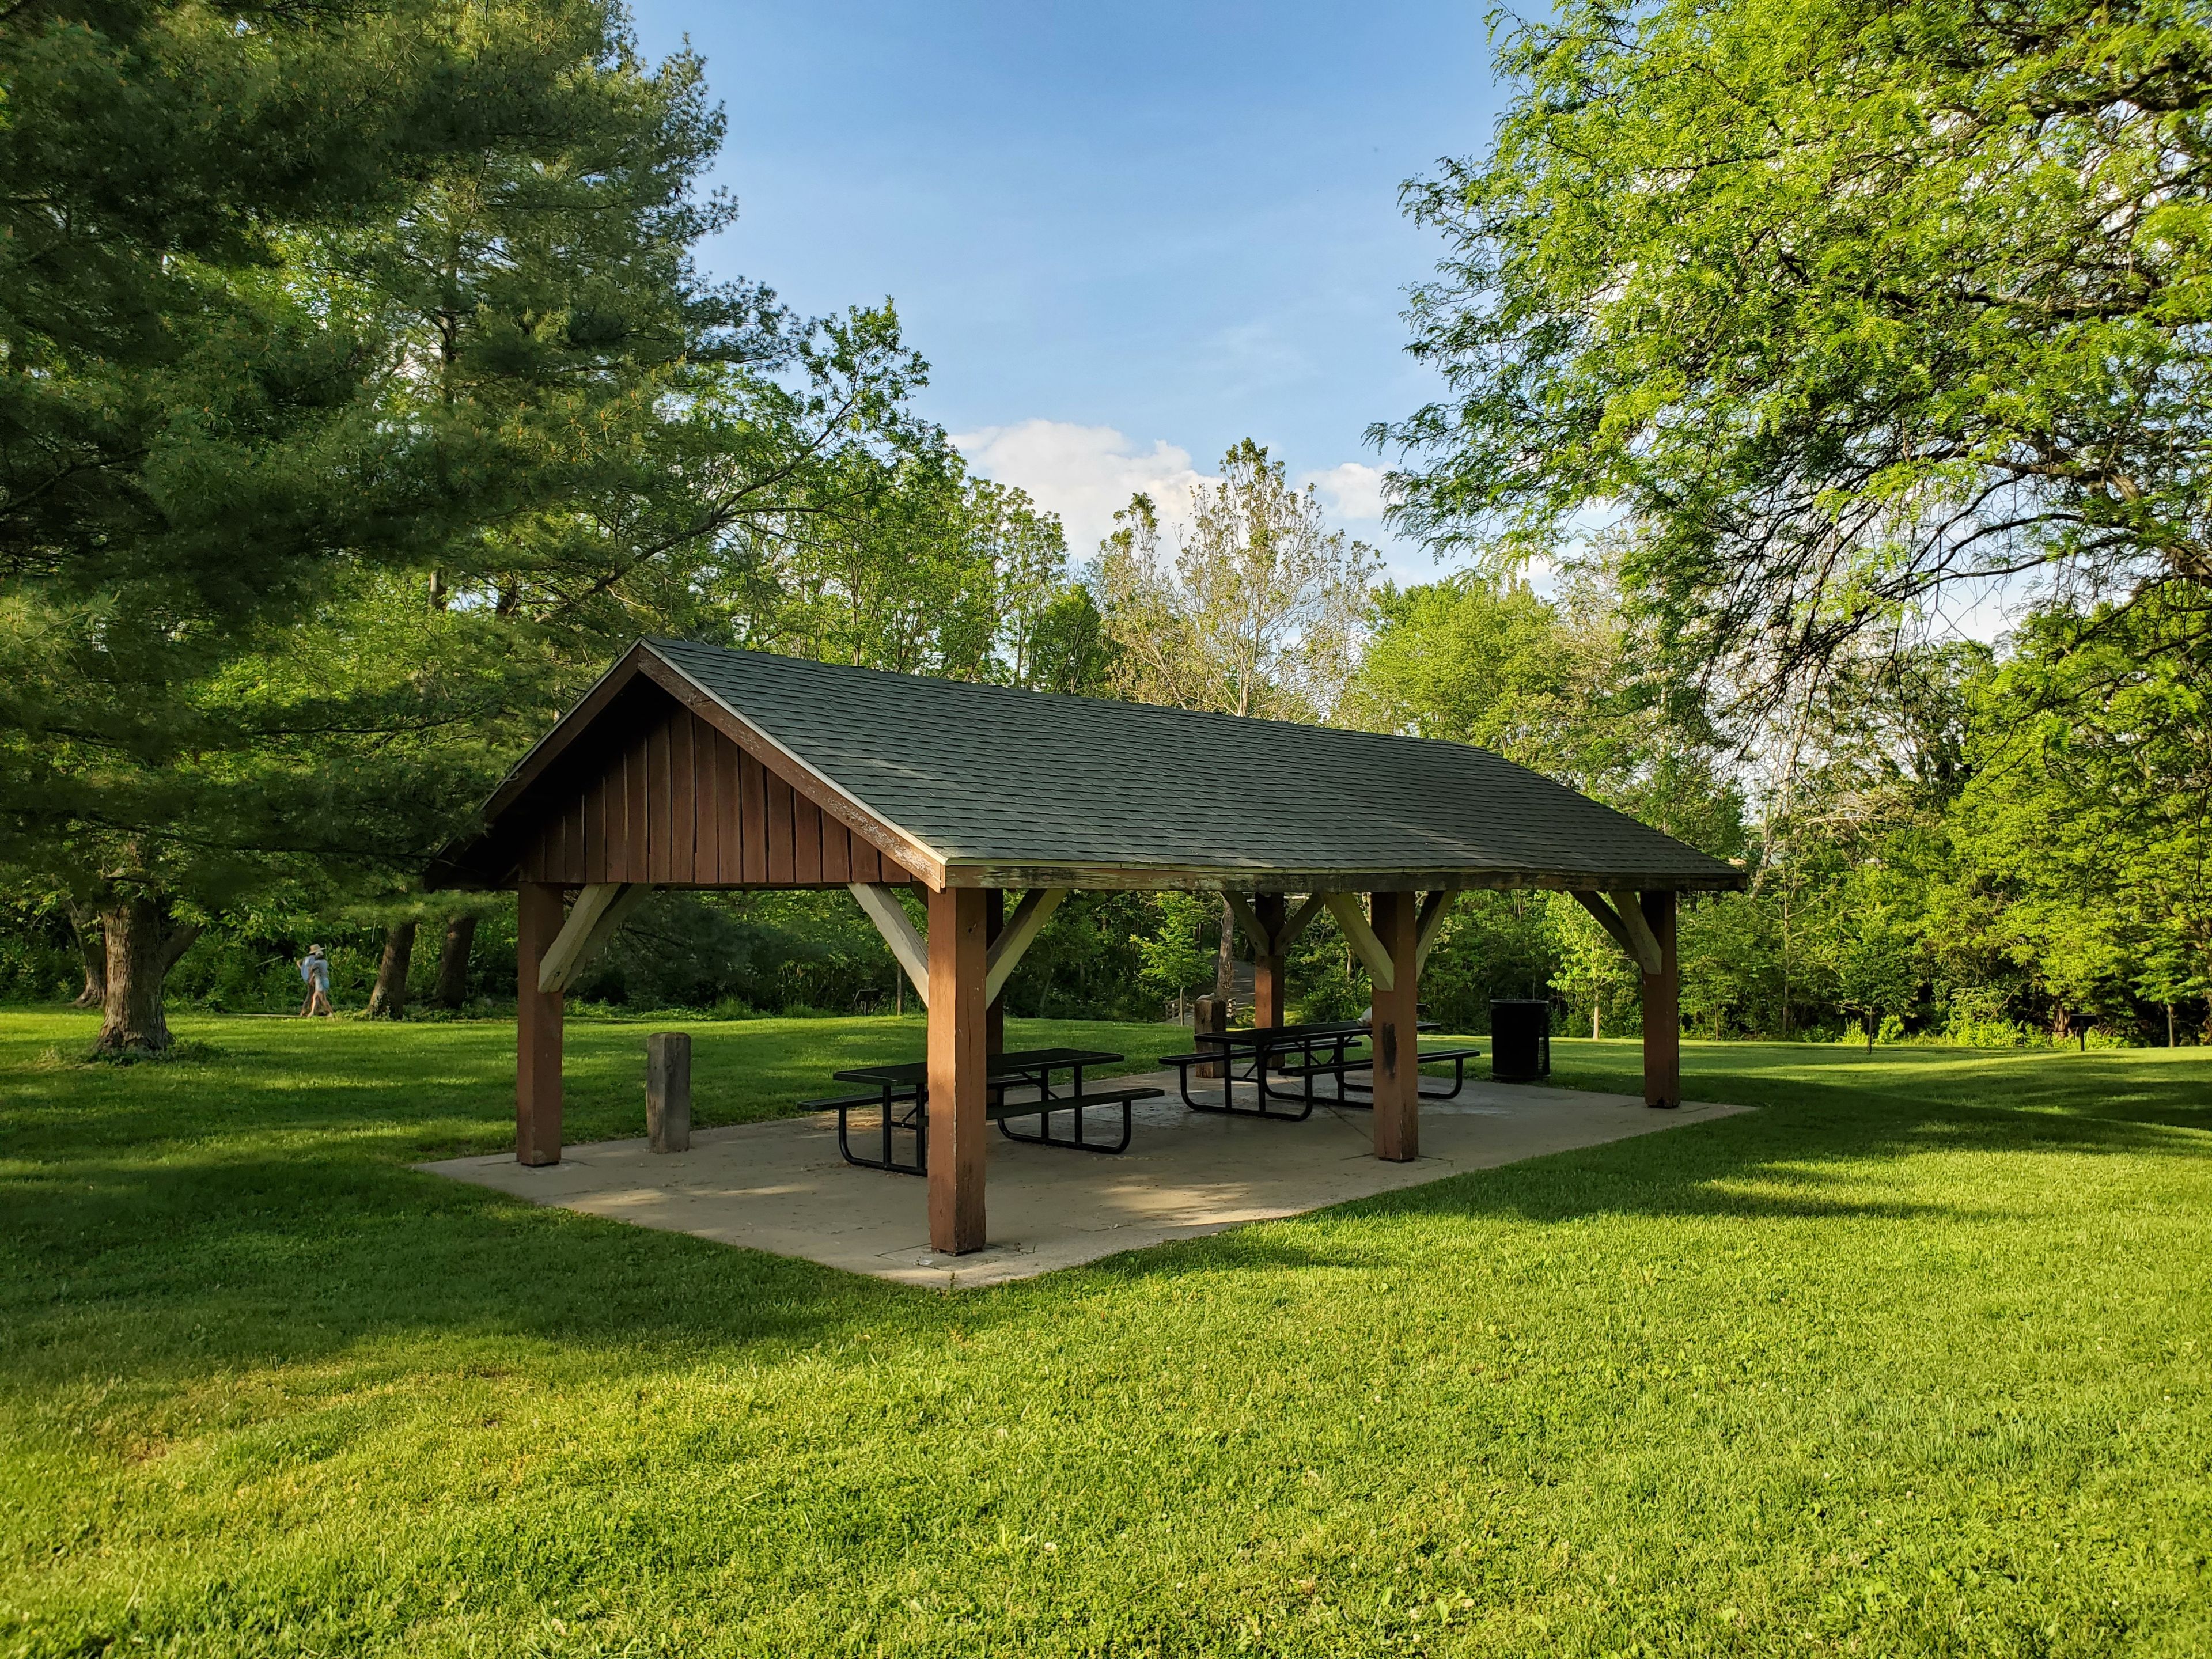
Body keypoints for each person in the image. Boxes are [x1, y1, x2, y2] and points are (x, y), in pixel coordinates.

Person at [298, 945, 334, 1017]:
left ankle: (331, 1013)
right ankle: (313, 1012)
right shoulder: (324, 962)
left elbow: (311, 971)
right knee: (315, 997)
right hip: (323, 981)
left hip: (319, 983)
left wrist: (303, 970)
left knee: (321, 998)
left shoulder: (312, 962)